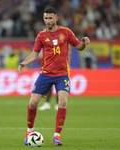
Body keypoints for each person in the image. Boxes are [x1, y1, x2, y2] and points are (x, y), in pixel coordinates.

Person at [18, 7, 90, 146]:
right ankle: (29, 132)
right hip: (45, 74)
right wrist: (24, 63)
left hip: (62, 74)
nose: (48, 21)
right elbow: (35, 53)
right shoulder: (41, 36)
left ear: (56, 18)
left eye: (50, 18)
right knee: (33, 103)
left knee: (62, 102)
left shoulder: (66, 32)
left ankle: (57, 136)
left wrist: (84, 43)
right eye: (46, 18)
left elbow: (78, 46)